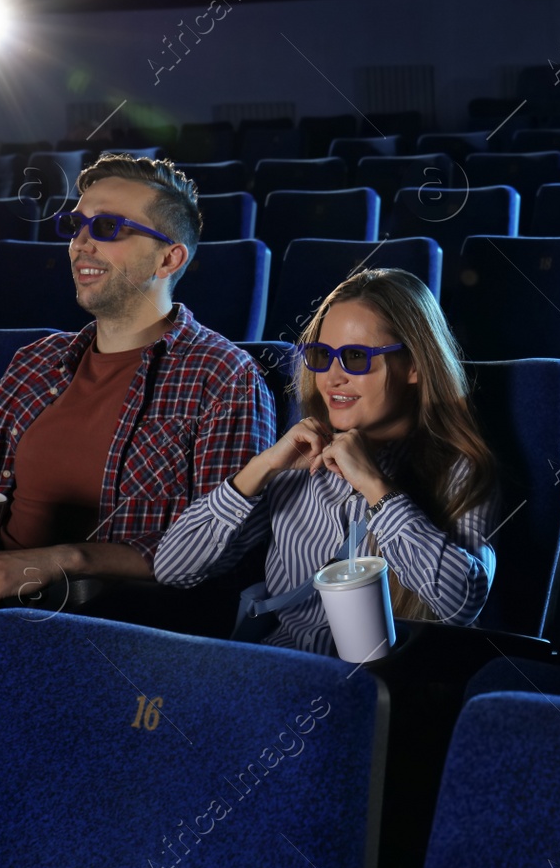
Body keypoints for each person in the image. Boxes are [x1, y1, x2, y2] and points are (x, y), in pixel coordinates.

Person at [0, 154, 275, 627]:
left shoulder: (224, 375)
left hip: (93, 622)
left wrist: (63, 560)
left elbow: (221, 546)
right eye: (75, 224)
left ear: (169, 258)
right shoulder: (37, 361)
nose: (81, 243)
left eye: (107, 227)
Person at [149, 268, 500, 654]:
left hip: (388, 691)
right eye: (321, 356)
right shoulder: (295, 463)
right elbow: (172, 569)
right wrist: (260, 468)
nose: (333, 377)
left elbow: (459, 606)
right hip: (280, 674)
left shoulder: (458, 468)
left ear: (414, 365)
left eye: (355, 357)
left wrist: (376, 488)